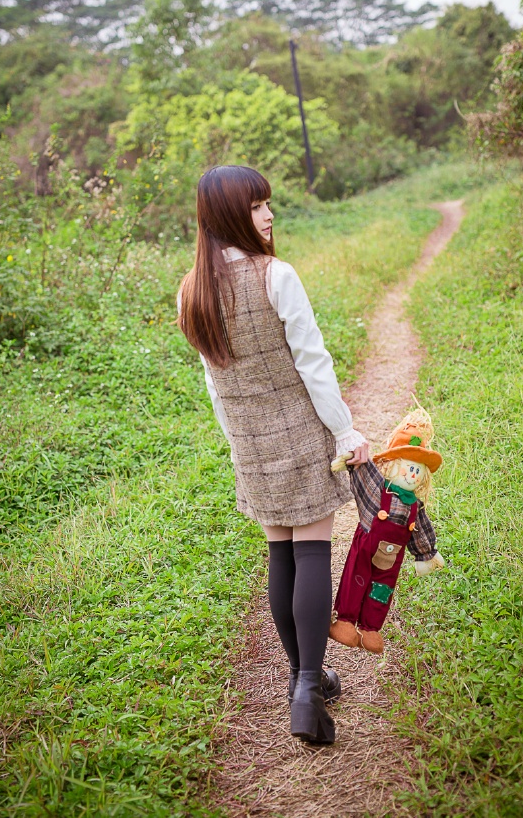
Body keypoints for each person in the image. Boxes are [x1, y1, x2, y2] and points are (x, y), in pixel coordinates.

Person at [177, 165, 369, 745]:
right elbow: (314, 363)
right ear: (232, 214)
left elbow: (214, 384)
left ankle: (298, 679)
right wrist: (346, 432)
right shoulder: (276, 275)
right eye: (257, 206)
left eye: (268, 204)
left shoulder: (192, 290)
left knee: (280, 554)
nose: (268, 215)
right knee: (311, 553)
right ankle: (309, 687)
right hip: (300, 434)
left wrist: (238, 442)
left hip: (251, 443)